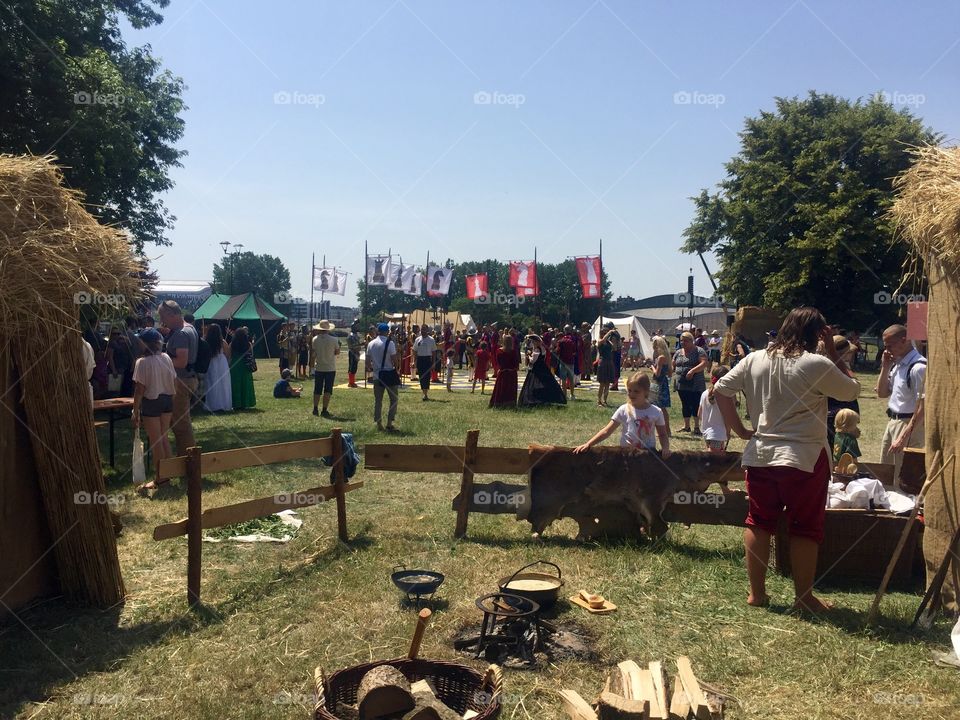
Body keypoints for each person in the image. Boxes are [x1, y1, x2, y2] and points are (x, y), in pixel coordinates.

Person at [713, 306, 859, 613]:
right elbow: (851, 391)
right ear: (818, 334)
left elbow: (721, 389)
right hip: (803, 458)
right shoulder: (817, 363)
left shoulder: (754, 359)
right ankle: (804, 598)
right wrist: (833, 350)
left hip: (761, 455)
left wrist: (740, 429)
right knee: (805, 527)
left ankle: (757, 594)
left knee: (759, 521)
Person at [875, 324, 926, 489]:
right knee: (886, 472)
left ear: (904, 341)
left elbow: (923, 408)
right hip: (893, 421)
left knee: (904, 477)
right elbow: (882, 393)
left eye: (889, 345)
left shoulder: (918, 368)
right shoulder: (897, 364)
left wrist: (903, 437)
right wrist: (885, 366)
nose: (886, 350)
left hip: (909, 423)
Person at [573, 372, 670, 457]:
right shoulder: (623, 410)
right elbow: (607, 431)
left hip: (647, 457)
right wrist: (588, 444)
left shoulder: (656, 412)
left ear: (646, 392)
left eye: (636, 391)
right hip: (626, 457)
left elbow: (662, 434)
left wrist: (665, 448)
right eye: (629, 390)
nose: (632, 394)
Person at [132, 328, 176, 494]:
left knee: (156, 440)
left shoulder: (142, 362)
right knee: (164, 437)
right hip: (167, 400)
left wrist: (135, 410)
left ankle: (161, 477)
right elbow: (173, 380)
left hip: (152, 401)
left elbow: (140, 389)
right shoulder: (166, 357)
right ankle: (169, 472)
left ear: (144, 342)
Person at [158, 300, 198, 455]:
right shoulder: (189, 328)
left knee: (181, 426)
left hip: (180, 381)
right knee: (181, 424)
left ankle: (189, 462)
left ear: (172, 314)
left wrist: (160, 359)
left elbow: (181, 361)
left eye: (163, 316)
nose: (162, 320)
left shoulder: (181, 334)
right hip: (187, 379)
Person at [673, 331, 708, 434]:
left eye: (685, 341)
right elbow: (673, 364)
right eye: (681, 341)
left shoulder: (699, 350)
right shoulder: (678, 352)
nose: (683, 343)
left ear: (691, 341)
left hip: (695, 383)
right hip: (681, 383)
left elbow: (704, 363)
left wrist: (692, 371)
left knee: (695, 404)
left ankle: (697, 427)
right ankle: (686, 426)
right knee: (685, 404)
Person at [366, 323, 398, 431]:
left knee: (378, 400)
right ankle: (389, 422)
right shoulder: (391, 343)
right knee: (393, 399)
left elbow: (367, 362)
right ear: (387, 331)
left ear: (378, 331)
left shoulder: (371, 343)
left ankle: (379, 423)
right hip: (389, 373)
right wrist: (396, 368)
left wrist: (373, 369)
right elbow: (394, 360)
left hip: (377, 375)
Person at [518, 334, 566, 407]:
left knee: (532, 383)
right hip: (543, 367)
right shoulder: (542, 348)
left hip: (537, 368)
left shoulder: (537, 349)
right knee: (545, 383)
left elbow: (533, 361)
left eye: (533, 342)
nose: (532, 343)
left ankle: (533, 399)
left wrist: (528, 355)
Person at [311, 319, 340, 418]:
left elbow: (314, 352)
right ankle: (324, 409)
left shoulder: (315, 339)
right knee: (328, 389)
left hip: (319, 367)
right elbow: (337, 352)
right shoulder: (334, 340)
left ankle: (315, 408)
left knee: (317, 389)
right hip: (330, 368)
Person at [699, 366, 730, 456]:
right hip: (718, 433)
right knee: (714, 458)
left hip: (706, 431)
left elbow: (699, 414)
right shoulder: (724, 396)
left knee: (712, 457)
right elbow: (728, 417)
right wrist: (728, 432)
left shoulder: (704, 393)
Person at [203, 323, 233, 412]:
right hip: (221, 363)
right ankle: (224, 404)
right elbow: (228, 354)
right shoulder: (222, 342)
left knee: (211, 383)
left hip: (211, 363)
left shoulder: (206, 341)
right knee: (223, 384)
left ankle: (212, 404)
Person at [229, 326, 257, 409]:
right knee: (246, 384)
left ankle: (236, 404)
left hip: (235, 365)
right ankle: (246, 403)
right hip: (245, 365)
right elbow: (251, 355)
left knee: (235, 385)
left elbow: (230, 356)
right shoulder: (248, 344)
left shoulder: (232, 344)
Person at [489, 335, 519, 408]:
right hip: (512, 373)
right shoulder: (513, 351)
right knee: (510, 389)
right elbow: (515, 363)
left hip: (503, 372)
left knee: (501, 389)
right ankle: (510, 404)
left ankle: (499, 403)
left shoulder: (499, 351)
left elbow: (498, 362)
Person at [651, 336, 673, 434]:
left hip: (657, 383)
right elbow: (669, 373)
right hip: (663, 383)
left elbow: (657, 374)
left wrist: (651, 367)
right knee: (661, 408)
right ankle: (667, 430)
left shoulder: (660, 358)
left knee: (659, 408)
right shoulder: (666, 357)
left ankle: (666, 430)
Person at [595, 324, 617, 406]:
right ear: (601, 333)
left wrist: (614, 340)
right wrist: (610, 331)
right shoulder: (600, 340)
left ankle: (605, 400)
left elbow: (614, 348)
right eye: (604, 333)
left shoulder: (608, 342)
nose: (605, 334)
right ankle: (599, 400)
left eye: (606, 333)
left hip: (609, 362)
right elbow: (603, 340)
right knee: (602, 383)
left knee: (607, 383)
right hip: (603, 362)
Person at [413, 325, 437, 401]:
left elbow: (434, 352)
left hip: (427, 359)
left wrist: (433, 363)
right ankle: (424, 392)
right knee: (421, 376)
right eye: (422, 329)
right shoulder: (417, 339)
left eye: (424, 329)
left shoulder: (431, 340)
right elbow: (415, 351)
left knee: (427, 376)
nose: (423, 331)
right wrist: (414, 361)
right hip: (420, 359)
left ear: (427, 330)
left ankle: (425, 393)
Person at [556, 325, 578, 400]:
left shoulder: (561, 341)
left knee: (563, 379)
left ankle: (564, 395)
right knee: (571, 379)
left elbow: (558, 351)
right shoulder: (573, 340)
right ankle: (572, 395)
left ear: (564, 331)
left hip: (562, 362)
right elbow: (575, 351)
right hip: (571, 362)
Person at [346, 321, 362, 387]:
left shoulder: (355, 335)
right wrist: (361, 344)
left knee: (354, 367)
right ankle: (351, 382)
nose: (358, 327)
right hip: (353, 352)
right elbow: (352, 346)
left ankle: (352, 381)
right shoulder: (351, 336)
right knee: (352, 367)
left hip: (356, 352)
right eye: (357, 326)